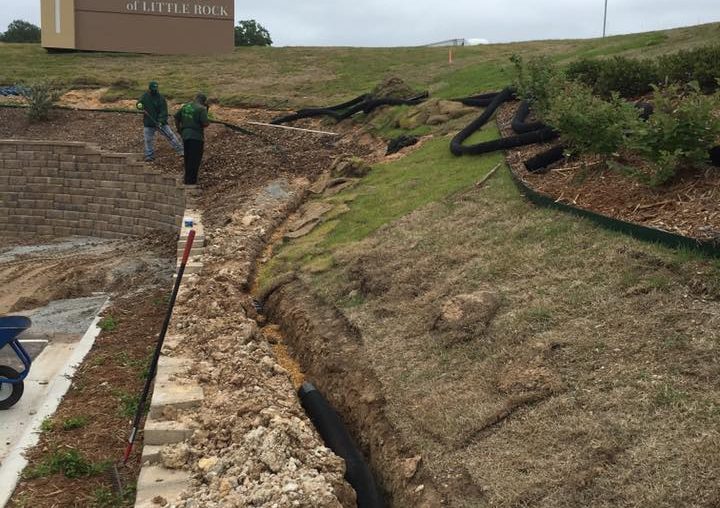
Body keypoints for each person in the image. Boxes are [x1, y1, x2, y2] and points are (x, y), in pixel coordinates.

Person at [136, 81, 184, 162]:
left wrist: (160, 121)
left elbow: (164, 112)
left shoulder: (161, 98)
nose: (154, 90)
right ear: (149, 89)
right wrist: (139, 105)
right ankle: (149, 156)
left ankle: (181, 151)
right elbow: (139, 103)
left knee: (170, 136)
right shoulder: (145, 97)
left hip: (161, 123)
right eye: (153, 89)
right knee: (148, 140)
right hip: (148, 123)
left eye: (156, 89)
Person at [174, 94, 210, 185]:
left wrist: (179, 130)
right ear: (203, 101)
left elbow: (176, 117)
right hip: (196, 137)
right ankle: (191, 182)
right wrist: (207, 111)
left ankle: (186, 179)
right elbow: (205, 123)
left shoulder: (186, 106)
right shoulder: (201, 109)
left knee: (188, 157)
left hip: (185, 136)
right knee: (195, 159)